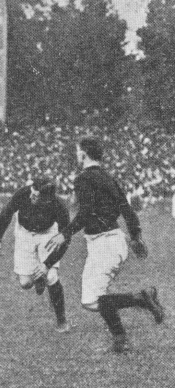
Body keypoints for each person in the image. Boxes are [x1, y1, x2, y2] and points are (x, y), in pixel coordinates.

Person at [39, 137, 164, 353]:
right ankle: (123, 332)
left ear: (84, 153)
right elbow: (126, 208)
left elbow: (86, 212)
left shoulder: (83, 178)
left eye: (78, 151)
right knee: (95, 298)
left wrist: (64, 234)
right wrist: (135, 235)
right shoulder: (108, 177)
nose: (77, 155)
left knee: (92, 299)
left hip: (103, 243)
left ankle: (137, 307)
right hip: (114, 241)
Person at [0, 178, 71, 332]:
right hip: (24, 232)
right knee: (25, 283)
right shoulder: (23, 193)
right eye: (32, 193)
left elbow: (66, 239)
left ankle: (61, 320)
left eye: (35, 196)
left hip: (48, 233)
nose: (30, 197)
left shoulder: (59, 205)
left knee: (51, 276)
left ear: (47, 199)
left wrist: (47, 264)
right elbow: (6, 213)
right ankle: (38, 279)